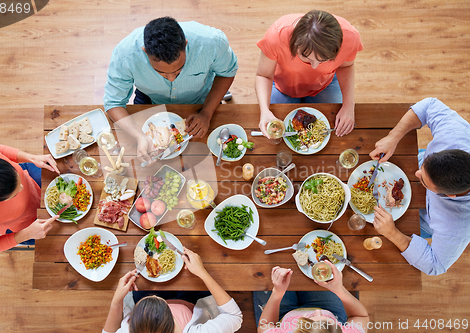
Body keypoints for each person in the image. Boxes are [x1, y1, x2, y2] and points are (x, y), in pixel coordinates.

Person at [104, 16, 238, 162]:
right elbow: (113, 103)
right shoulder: (125, 55)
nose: (172, 79)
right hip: (151, 99)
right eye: (161, 72)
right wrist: (139, 136)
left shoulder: (212, 42)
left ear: (185, 44)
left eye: (178, 70)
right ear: (144, 51)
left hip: (202, 98)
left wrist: (206, 113)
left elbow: (227, 73)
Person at [369, 97, 470, 275]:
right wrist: (393, 137)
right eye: (423, 168)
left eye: (422, 180)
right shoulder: (456, 136)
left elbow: (435, 265)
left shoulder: (458, 225)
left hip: (421, 219)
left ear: (450, 196)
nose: (416, 174)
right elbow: (429, 105)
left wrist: (393, 234)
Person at [255, 10, 363, 138]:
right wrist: (265, 111)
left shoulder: (350, 37)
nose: (314, 67)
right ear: (295, 43)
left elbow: (346, 66)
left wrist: (349, 105)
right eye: (306, 57)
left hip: (325, 85)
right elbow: (264, 75)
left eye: (323, 60)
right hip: (282, 86)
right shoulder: (276, 35)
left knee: (334, 123)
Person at [103, 247, 243, 333]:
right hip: (192, 303)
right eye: (162, 302)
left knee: (143, 285)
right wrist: (202, 272)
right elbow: (234, 316)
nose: (156, 295)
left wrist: (117, 301)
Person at [0, 140, 60, 255]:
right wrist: (28, 233)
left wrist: (32, 158)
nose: (21, 187)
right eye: (15, 193)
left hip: (31, 178)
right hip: (25, 225)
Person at [254, 264, 369, 333]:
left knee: (264, 270)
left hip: (281, 316)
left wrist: (277, 293)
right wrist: (339, 290)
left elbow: (265, 325)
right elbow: (360, 316)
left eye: (312, 317)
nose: (317, 311)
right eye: (329, 321)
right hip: (329, 308)